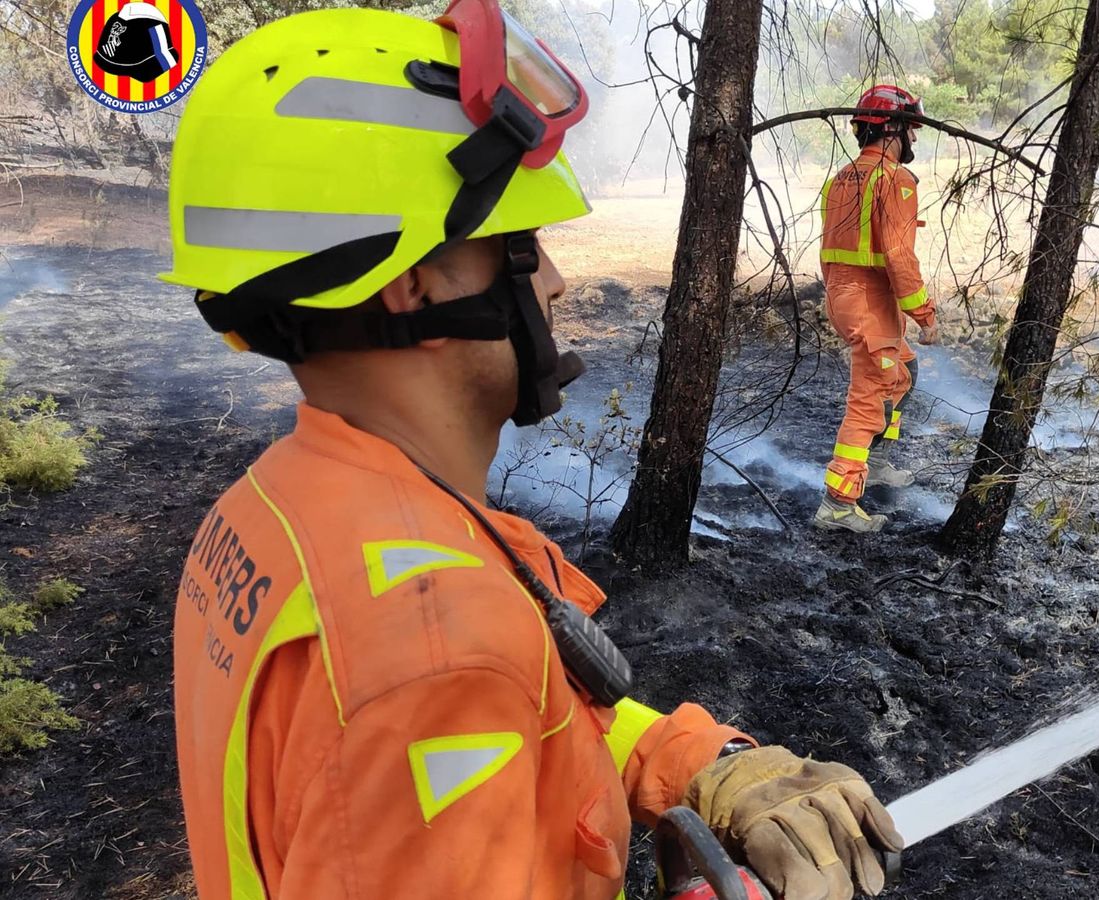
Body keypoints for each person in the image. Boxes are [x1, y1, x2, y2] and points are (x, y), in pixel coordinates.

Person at [160, 6, 902, 898]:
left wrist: (707, 762)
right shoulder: (434, 658)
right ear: (408, 284)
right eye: (521, 246)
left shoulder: (285, 509)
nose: (553, 278)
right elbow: (455, 708)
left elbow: (544, 724)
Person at [814, 84, 939, 534]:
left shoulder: (841, 179)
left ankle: (879, 460)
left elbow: (830, 254)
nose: (915, 141)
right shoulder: (895, 181)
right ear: (893, 130)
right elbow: (899, 256)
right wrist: (924, 313)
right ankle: (838, 503)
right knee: (869, 399)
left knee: (905, 372)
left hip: (849, 298)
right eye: (912, 131)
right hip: (871, 304)